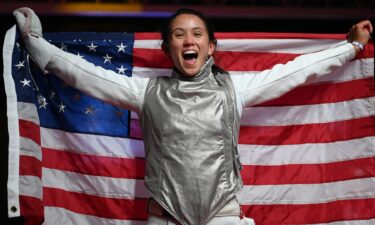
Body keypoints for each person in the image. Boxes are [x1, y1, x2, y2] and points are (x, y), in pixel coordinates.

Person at [13, 7, 372, 225]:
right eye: (180, 34)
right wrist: (35, 43)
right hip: (164, 217)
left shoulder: (237, 88)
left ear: (210, 46)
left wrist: (351, 46)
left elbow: (296, 71)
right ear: (168, 47)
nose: (189, 40)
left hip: (223, 215)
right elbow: (83, 74)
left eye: (197, 34)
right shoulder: (145, 92)